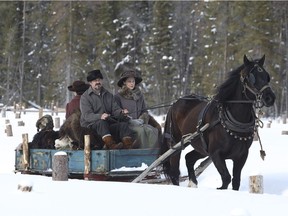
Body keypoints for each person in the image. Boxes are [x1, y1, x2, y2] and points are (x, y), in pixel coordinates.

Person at [80, 69, 137, 150]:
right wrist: (100, 116)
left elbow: (115, 109)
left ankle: (128, 145)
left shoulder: (108, 95)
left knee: (123, 125)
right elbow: (87, 115)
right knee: (101, 123)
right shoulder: (85, 97)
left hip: (107, 124)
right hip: (91, 127)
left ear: (102, 81)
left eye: (99, 80)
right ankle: (111, 145)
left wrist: (122, 112)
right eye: (95, 80)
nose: (97, 82)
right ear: (90, 83)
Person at [114, 70, 159, 149]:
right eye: (129, 81)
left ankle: (154, 154)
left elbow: (144, 110)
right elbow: (116, 112)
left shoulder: (139, 95)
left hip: (140, 123)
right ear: (124, 82)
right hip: (127, 125)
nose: (132, 83)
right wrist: (125, 115)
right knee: (141, 132)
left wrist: (142, 119)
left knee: (152, 130)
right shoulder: (118, 96)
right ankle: (142, 154)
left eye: (133, 81)